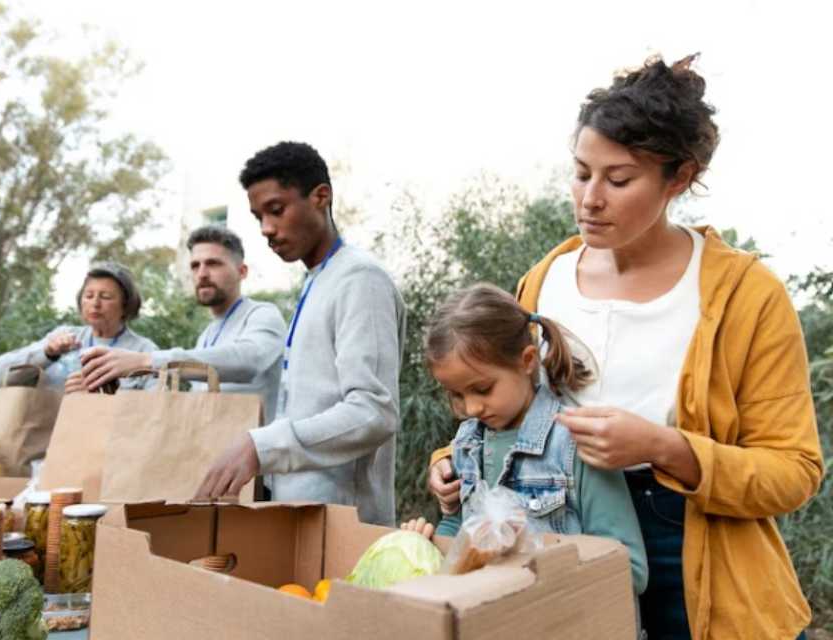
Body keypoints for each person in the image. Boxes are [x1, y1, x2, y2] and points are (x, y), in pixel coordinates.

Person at [426, 55, 823, 640]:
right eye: (582, 172)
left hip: (694, 551)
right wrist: (450, 463)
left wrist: (664, 447)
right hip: (560, 541)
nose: (590, 198)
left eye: (618, 180)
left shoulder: (745, 295)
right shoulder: (544, 280)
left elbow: (794, 472)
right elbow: (511, 409)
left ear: (679, 178)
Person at [194, 141, 406, 526]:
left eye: (276, 210)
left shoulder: (360, 280)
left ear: (320, 197)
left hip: (346, 527)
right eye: (258, 216)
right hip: (302, 516)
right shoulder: (317, 281)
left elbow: (374, 412)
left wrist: (262, 446)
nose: (266, 230)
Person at [401, 283, 648, 597]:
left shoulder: (578, 446)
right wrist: (426, 546)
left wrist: (527, 562)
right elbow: (461, 529)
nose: (472, 408)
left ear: (527, 360)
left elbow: (631, 570)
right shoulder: (465, 443)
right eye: (456, 395)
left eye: (482, 389)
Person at [78, 226, 286, 422]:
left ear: (242, 271)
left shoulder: (262, 314)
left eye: (213, 263)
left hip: (254, 453)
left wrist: (147, 361)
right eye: (195, 266)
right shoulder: (207, 334)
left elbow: (248, 361)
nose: (202, 274)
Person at [0, 262, 157, 392]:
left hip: (109, 436)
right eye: (89, 296)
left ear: (126, 305)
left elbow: (155, 406)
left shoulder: (143, 350)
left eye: (105, 297)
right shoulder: (64, 337)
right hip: (49, 434)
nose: (95, 304)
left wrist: (104, 394)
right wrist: (47, 354)